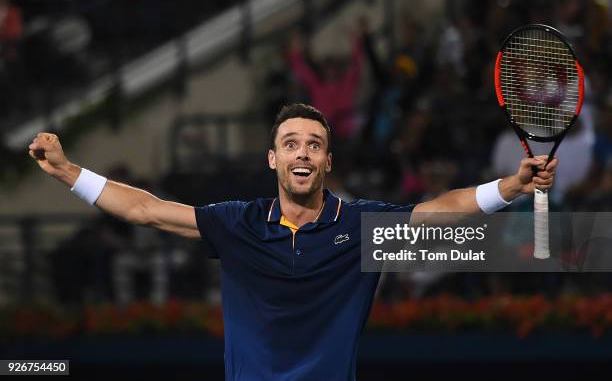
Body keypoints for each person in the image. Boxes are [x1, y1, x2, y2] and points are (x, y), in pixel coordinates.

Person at [28, 103, 556, 381]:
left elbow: (437, 214)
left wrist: (511, 186)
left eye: (315, 144)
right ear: (273, 159)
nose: (302, 152)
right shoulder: (238, 224)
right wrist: (68, 172)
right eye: (290, 143)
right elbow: (145, 209)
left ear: (327, 161)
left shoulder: (361, 225)